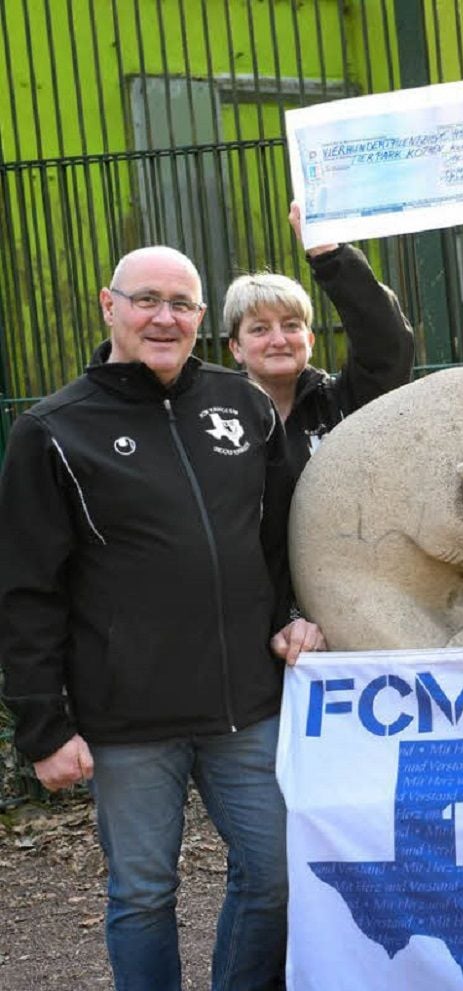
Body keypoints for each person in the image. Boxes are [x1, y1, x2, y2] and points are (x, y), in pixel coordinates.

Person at [0, 246, 326, 991]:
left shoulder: (244, 406)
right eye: (146, 300)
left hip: (246, 706)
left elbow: (283, 538)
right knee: (144, 895)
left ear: (201, 318)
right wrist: (43, 726)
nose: (163, 318)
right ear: (108, 306)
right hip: (128, 719)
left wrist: (299, 613)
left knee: (276, 876)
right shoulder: (53, 431)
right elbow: (25, 590)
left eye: (181, 304)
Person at [225, 203, 414, 478]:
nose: (278, 340)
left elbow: (386, 344)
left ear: (310, 340)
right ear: (236, 348)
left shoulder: (342, 403)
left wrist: (329, 256)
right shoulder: (216, 416)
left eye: (291, 326)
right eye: (260, 329)